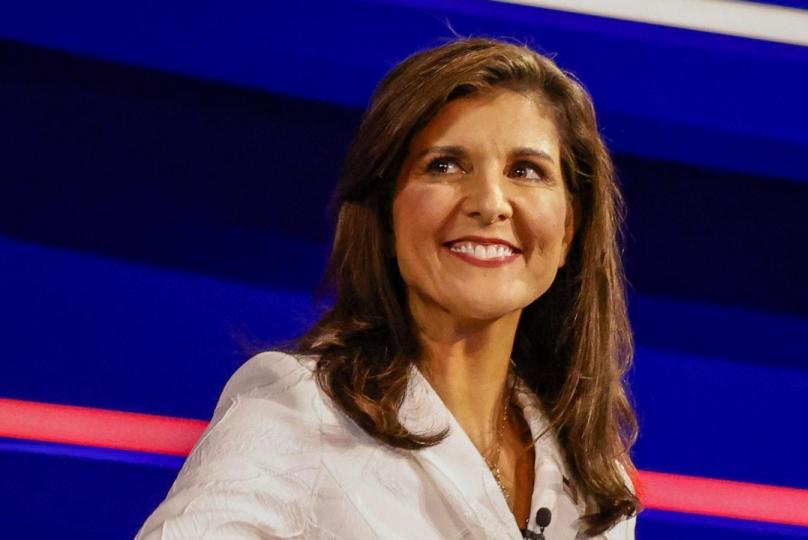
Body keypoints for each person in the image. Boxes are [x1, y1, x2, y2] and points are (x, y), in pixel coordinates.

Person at [136, 36, 640, 539]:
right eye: (445, 165)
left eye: (525, 171)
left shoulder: (595, 478)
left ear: (569, 228)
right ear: (385, 215)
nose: (490, 202)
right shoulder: (304, 413)